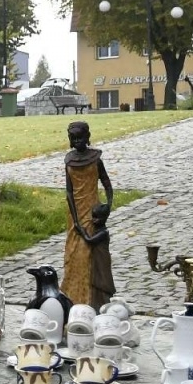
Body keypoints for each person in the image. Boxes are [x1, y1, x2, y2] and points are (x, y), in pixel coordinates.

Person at [63, 120, 116, 308]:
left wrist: (108, 205)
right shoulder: (69, 160)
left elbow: (107, 183)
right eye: (73, 138)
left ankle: (93, 298)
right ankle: (73, 296)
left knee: (89, 253)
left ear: (87, 138)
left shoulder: (95, 159)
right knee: (74, 253)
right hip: (75, 212)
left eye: (80, 138)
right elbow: (69, 191)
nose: (77, 141)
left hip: (93, 211)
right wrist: (75, 220)